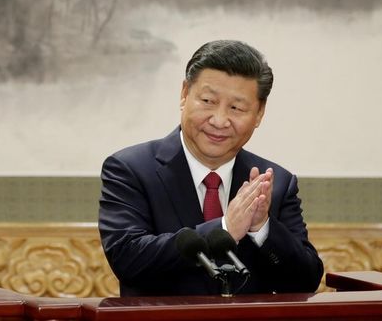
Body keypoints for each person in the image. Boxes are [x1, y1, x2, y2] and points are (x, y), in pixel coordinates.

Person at [99, 40, 323, 297]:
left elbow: (306, 281)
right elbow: (128, 259)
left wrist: (262, 228)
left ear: (259, 113)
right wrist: (225, 228)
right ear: (184, 94)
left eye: (236, 108)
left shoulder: (275, 182)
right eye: (207, 100)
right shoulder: (130, 169)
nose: (219, 121)